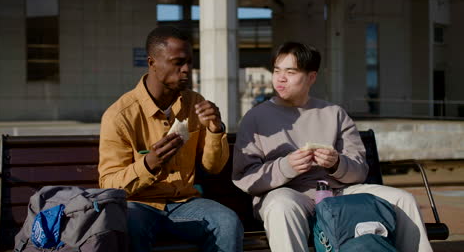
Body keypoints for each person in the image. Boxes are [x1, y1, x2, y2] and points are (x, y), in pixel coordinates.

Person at [232, 41, 433, 252]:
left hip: (338, 191)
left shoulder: (334, 113)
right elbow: (245, 177)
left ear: (311, 77)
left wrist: (336, 163)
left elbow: (360, 170)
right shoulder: (255, 117)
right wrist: (286, 167)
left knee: (404, 199)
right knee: (281, 207)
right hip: (288, 193)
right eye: (276, 71)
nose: (280, 78)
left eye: (290, 72)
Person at [98, 26, 243, 252]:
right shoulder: (120, 115)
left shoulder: (194, 102)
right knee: (129, 226)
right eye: (177, 62)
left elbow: (213, 168)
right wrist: (149, 164)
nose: (186, 70)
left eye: (189, 62)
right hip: (139, 205)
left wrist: (215, 129)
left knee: (227, 222)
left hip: (185, 203)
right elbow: (109, 184)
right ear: (152, 62)